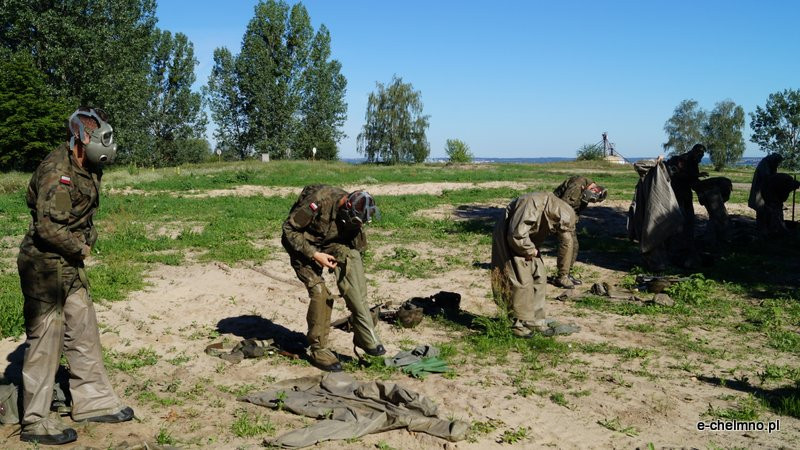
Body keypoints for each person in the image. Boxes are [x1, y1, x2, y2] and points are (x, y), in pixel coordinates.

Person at [17, 107, 132, 445]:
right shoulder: (57, 172)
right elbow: (49, 229)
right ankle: (36, 420)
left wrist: (84, 241)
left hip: (68, 262)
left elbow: (81, 214)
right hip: (44, 266)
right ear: (81, 139)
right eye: (99, 138)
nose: (106, 145)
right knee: (46, 338)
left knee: (82, 328)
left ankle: (93, 400)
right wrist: (80, 247)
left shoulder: (88, 167)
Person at [282, 186, 385, 372]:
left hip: (329, 244)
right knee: (320, 293)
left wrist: (349, 270)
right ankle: (318, 349)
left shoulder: (356, 212)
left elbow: (357, 245)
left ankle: (363, 330)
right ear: (345, 206)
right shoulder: (319, 201)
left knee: (352, 259)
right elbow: (289, 230)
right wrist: (315, 255)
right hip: (302, 247)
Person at [491, 192, 581, 337]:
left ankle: (534, 321)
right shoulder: (532, 204)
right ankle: (517, 324)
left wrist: (563, 274)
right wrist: (529, 250)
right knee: (521, 280)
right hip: (510, 239)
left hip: (528, 242)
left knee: (540, 276)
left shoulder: (556, 211)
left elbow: (566, 243)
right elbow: (516, 235)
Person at [552, 175, 608, 287]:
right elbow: (564, 206)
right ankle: (562, 276)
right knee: (568, 245)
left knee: (574, 246)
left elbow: (576, 210)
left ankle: (566, 274)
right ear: (593, 190)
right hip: (557, 216)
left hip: (566, 219)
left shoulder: (585, 191)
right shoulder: (577, 185)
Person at [664, 144, 707, 267]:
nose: (701, 158)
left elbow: (693, 181)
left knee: (689, 219)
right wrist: (696, 176)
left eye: (702, 155)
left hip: (686, 194)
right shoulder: (683, 160)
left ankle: (687, 244)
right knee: (680, 220)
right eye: (700, 155)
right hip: (678, 193)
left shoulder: (692, 161)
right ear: (695, 152)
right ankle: (678, 246)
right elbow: (679, 175)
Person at [749, 153, 787, 235]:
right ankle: (762, 229)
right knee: (761, 209)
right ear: (774, 160)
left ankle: (769, 227)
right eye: (777, 162)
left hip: (766, 190)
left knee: (769, 209)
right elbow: (767, 177)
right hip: (759, 189)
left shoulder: (771, 164)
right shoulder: (764, 164)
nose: (777, 164)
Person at [693, 177, 733, 246]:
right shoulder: (705, 187)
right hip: (711, 189)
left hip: (712, 189)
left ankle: (716, 238)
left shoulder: (704, 186)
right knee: (719, 216)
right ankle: (717, 239)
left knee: (717, 216)